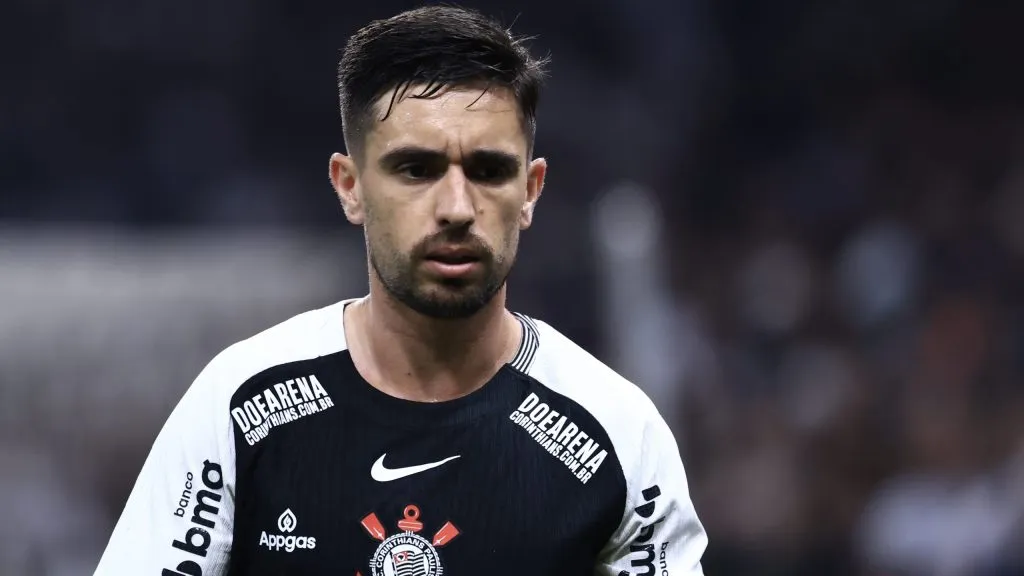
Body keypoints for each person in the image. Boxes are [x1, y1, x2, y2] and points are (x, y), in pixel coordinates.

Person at [93, 5, 708, 575]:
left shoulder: (620, 438)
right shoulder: (240, 407)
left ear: (530, 190)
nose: (457, 207)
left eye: (490, 170)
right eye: (417, 169)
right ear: (349, 185)